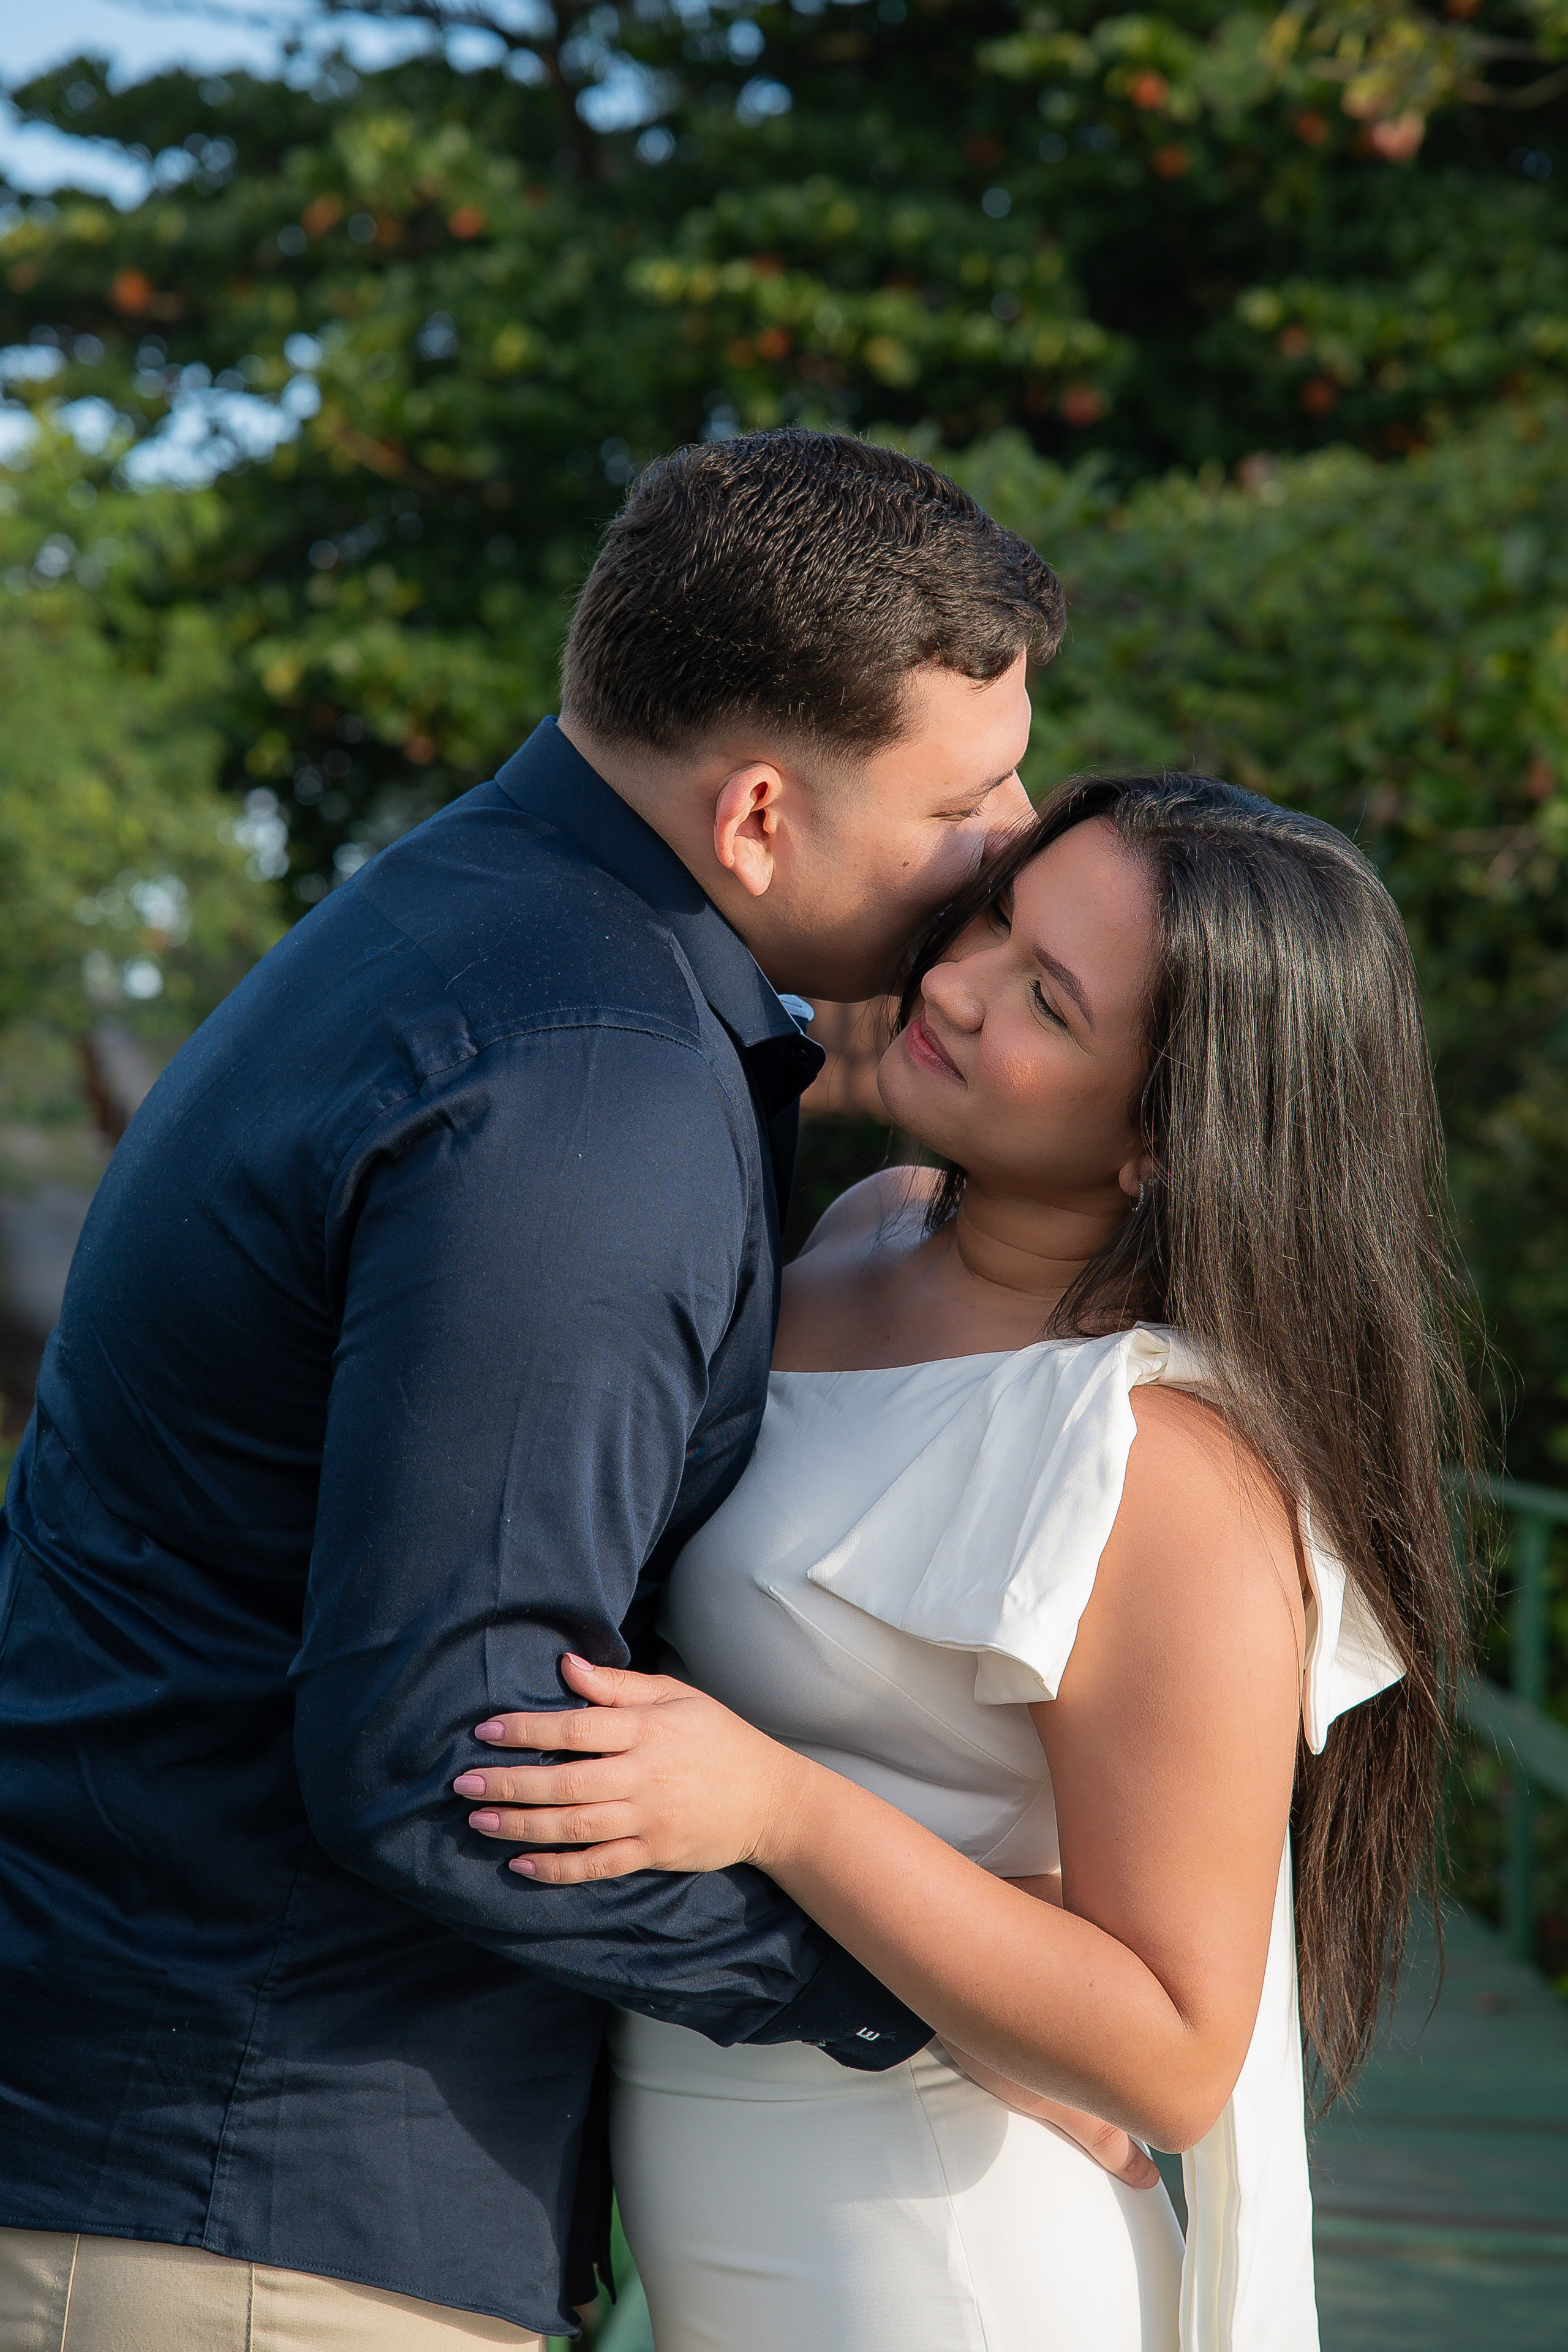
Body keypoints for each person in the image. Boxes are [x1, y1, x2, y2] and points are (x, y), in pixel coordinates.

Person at [0, 430, 1115, 2350]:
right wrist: (926, 2003)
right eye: (971, 795)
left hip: (195, 2126)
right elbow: (449, 1756)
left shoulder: (458, 916)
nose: (1011, 843)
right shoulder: (590, 1086)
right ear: (757, 813)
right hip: (262, 2202)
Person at [454, 773, 1476, 2352]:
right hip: (721, 2188)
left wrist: (784, 1808)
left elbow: (1175, 2048)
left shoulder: (1166, 1462)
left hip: (938, 2251)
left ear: (1161, 1141)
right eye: (999, 915)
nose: (951, 981)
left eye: (1047, 1001)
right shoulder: (867, 1224)